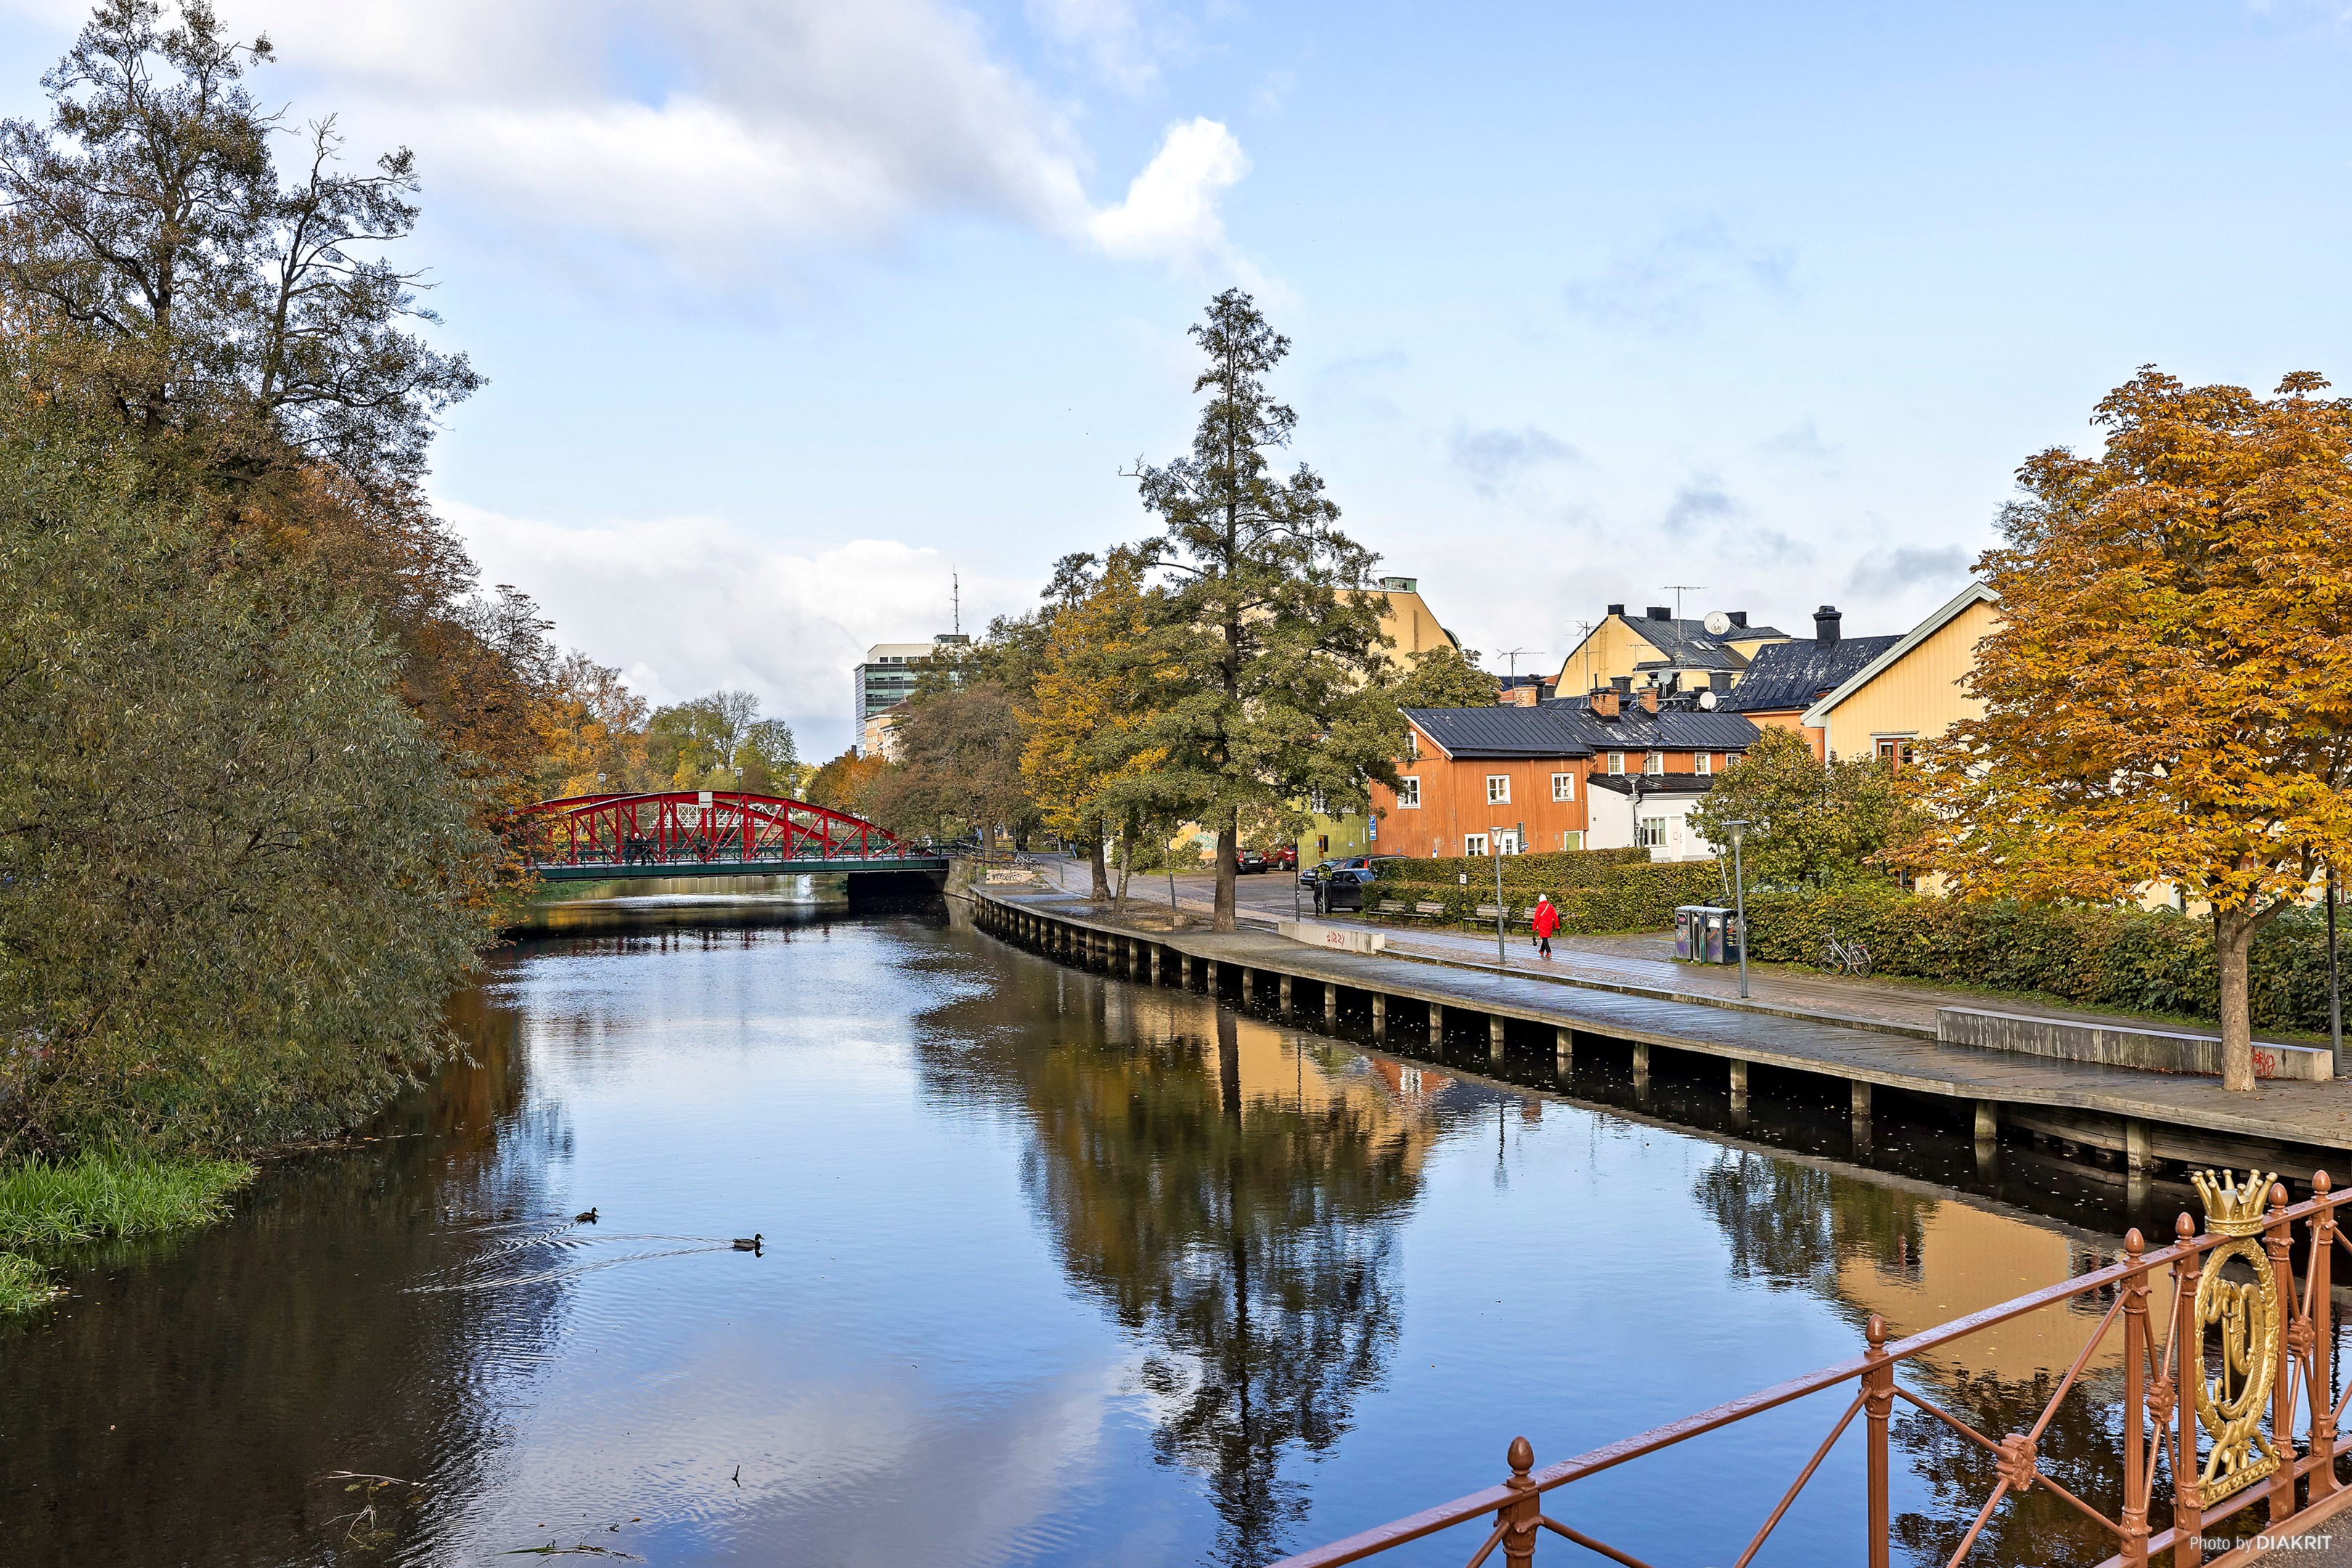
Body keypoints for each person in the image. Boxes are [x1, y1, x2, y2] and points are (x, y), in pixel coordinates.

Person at [1531, 893, 1559, 960]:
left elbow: (1537, 918)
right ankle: (1541, 950)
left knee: (1544, 938)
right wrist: (1557, 925)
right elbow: (1555, 916)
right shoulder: (1550, 906)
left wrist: (1534, 927)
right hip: (1549, 925)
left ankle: (1549, 952)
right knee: (1545, 938)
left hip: (1542, 925)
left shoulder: (1539, 907)